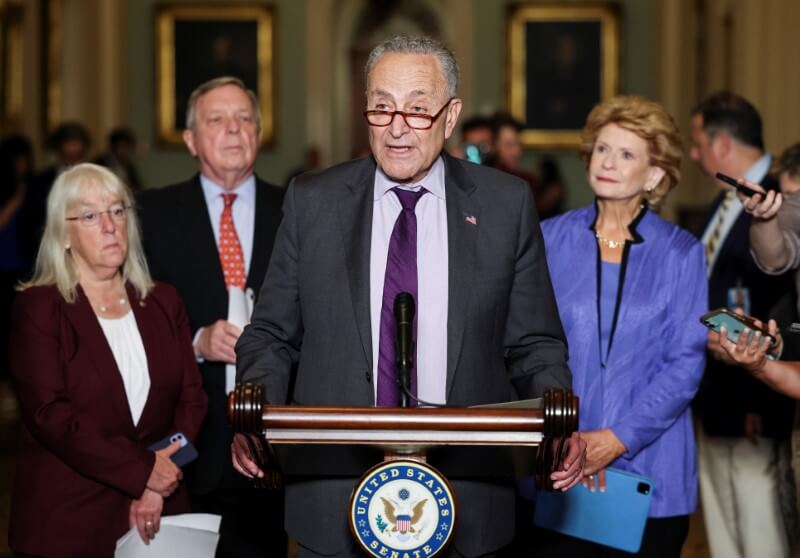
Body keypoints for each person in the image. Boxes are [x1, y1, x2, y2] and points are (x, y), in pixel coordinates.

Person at [231, 35, 586, 558]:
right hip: (333, 495)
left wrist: (557, 424)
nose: (397, 127)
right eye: (382, 107)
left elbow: (535, 344)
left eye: (418, 109)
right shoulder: (313, 201)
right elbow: (272, 334)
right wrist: (255, 414)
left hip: (468, 498)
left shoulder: (504, 205)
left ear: (450, 115)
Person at [535, 96, 707, 557]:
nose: (607, 162)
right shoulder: (549, 239)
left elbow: (685, 364)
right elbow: (529, 344)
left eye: (627, 154)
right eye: (602, 149)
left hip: (653, 470)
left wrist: (616, 439)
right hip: (560, 461)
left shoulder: (682, 253)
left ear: (654, 175)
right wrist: (570, 440)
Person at [7, 163, 207, 557]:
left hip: (161, 514)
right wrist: (143, 474)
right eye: (90, 215)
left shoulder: (164, 301)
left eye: (117, 211)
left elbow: (192, 400)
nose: (110, 225)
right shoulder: (40, 308)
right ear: (64, 234)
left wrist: (158, 482)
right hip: (70, 520)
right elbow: (52, 416)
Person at [138, 76, 286, 557]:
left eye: (245, 119)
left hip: (270, 436)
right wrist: (196, 342)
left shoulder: (295, 210)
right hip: (183, 438)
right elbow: (129, 323)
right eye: (217, 120)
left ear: (259, 134)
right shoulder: (151, 214)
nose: (233, 130)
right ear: (189, 139)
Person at [690, 91, 795, 558]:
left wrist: (758, 398)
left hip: (759, 392)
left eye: (698, 142)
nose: (695, 154)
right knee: (724, 528)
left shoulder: (781, 198)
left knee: (761, 530)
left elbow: (780, 305)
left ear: (724, 144)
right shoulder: (723, 202)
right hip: (716, 388)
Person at [18, 122, 91, 262]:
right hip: (49, 254)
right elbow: (28, 223)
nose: (73, 156)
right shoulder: (40, 181)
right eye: (68, 153)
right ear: (58, 150)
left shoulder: (97, 178)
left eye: (77, 154)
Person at [95, 126, 143, 191]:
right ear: (112, 147)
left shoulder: (129, 167)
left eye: (128, 148)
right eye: (122, 147)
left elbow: (137, 186)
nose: (125, 151)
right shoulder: (100, 163)